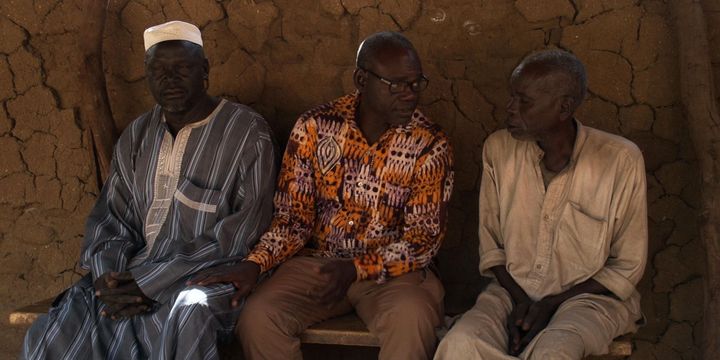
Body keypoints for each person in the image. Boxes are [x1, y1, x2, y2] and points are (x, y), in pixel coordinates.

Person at [189, 31, 454, 360]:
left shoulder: (428, 144)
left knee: (412, 319)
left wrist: (358, 268)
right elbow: (293, 218)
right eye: (397, 84)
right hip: (319, 266)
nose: (410, 95)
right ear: (361, 79)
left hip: (391, 274)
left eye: (416, 84)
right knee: (258, 317)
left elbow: (423, 239)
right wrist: (255, 264)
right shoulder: (315, 127)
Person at [21, 20, 277, 360]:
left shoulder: (247, 133)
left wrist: (153, 280)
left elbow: (241, 233)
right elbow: (112, 220)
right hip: (133, 276)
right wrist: (107, 279)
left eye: (182, 68)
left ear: (205, 70)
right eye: (158, 71)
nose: (169, 80)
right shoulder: (137, 135)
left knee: (189, 313)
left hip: (209, 275)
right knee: (52, 331)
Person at [435, 49, 647, 359]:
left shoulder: (621, 160)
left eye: (524, 102)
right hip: (511, 293)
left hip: (588, 301)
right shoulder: (499, 150)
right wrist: (523, 304)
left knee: (554, 352)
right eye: (512, 97)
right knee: (459, 345)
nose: (510, 109)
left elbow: (626, 267)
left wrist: (548, 306)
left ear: (564, 108)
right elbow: (492, 248)